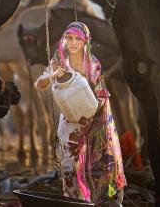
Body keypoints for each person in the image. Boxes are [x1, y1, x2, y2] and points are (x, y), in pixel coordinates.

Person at [35, 21, 126, 206]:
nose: (74, 43)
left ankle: (105, 201)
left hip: (94, 119)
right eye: (70, 38)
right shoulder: (58, 62)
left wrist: (93, 119)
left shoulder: (93, 65)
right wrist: (52, 75)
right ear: (65, 40)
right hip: (69, 120)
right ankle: (74, 202)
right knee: (67, 165)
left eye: (78, 39)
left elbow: (100, 96)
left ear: (86, 42)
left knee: (97, 165)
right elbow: (39, 84)